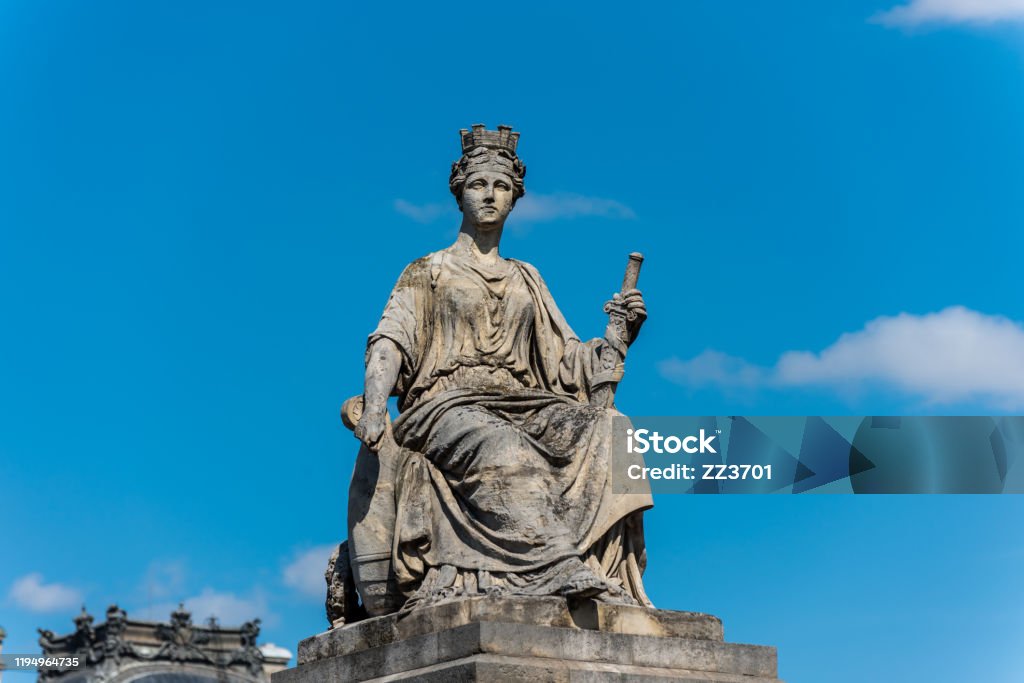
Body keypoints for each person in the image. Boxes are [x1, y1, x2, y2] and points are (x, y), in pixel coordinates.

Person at [354, 125, 652, 609]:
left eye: (501, 187)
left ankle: (608, 578)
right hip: (446, 405)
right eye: (478, 185)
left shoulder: (525, 277)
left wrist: (619, 336)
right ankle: (554, 565)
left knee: (614, 431)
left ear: (515, 198)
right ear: (459, 193)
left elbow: (567, 361)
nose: (490, 196)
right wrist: (372, 405)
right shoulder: (427, 270)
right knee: (503, 445)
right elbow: (390, 341)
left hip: (525, 401)